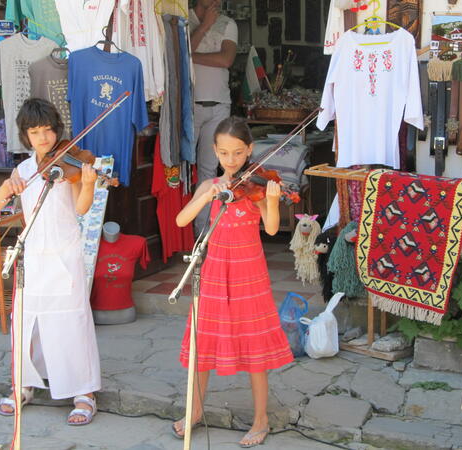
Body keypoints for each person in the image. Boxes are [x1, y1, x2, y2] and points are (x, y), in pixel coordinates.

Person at [172, 117, 294, 447]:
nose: (231, 160)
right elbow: (182, 218)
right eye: (224, 153)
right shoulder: (212, 186)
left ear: (250, 150)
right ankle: (195, 410)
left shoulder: (254, 188)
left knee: (254, 346)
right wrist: (207, 194)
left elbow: (270, 229)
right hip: (215, 272)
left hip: (249, 273)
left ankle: (261, 419)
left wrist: (270, 200)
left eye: (238, 153)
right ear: (214, 151)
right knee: (204, 342)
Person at [0, 98, 101, 426]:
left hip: (65, 252)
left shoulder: (70, 166)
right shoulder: (23, 170)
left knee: (71, 320)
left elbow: (81, 209)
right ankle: (24, 384)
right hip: (33, 254)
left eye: (48, 130)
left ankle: (84, 392)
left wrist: (90, 183)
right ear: (25, 136)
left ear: (56, 131)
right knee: (28, 322)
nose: (43, 138)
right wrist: (7, 188)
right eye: (35, 132)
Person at [189, 0, 238, 236]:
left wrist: (190, 56)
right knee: (183, 169)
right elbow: (180, 53)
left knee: (208, 170)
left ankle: (202, 233)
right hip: (189, 105)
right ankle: (180, 233)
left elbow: (225, 60)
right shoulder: (183, 20)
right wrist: (204, 26)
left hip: (219, 105)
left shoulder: (228, 24)